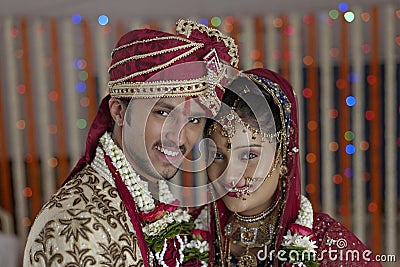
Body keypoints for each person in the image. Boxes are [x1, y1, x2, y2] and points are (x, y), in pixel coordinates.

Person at [23, 19, 239, 267]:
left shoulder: (160, 196)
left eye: (193, 119)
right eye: (163, 113)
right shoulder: (77, 228)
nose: (179, 137)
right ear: (119, 112)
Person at [205, 68, 382, 266]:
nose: (230, 174)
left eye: (250, 155)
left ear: (283, 157)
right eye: (218, 155)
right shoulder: (188, 239)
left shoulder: (328, 246)